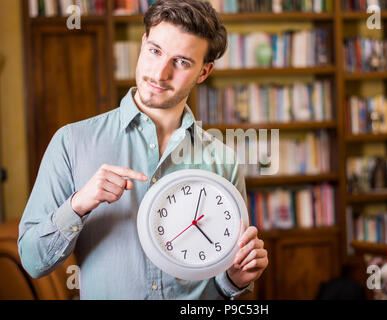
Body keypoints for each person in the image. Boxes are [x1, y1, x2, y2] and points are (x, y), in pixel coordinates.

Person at [18, 0, 268, 300]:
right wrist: (79, 204)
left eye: (182, 62)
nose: (160, 73)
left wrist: (233, 280)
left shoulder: (223, 161)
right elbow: (33, 262)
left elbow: (218, 283)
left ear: (204, 72)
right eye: (155, 51)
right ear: (142, 44)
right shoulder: (72, 142)